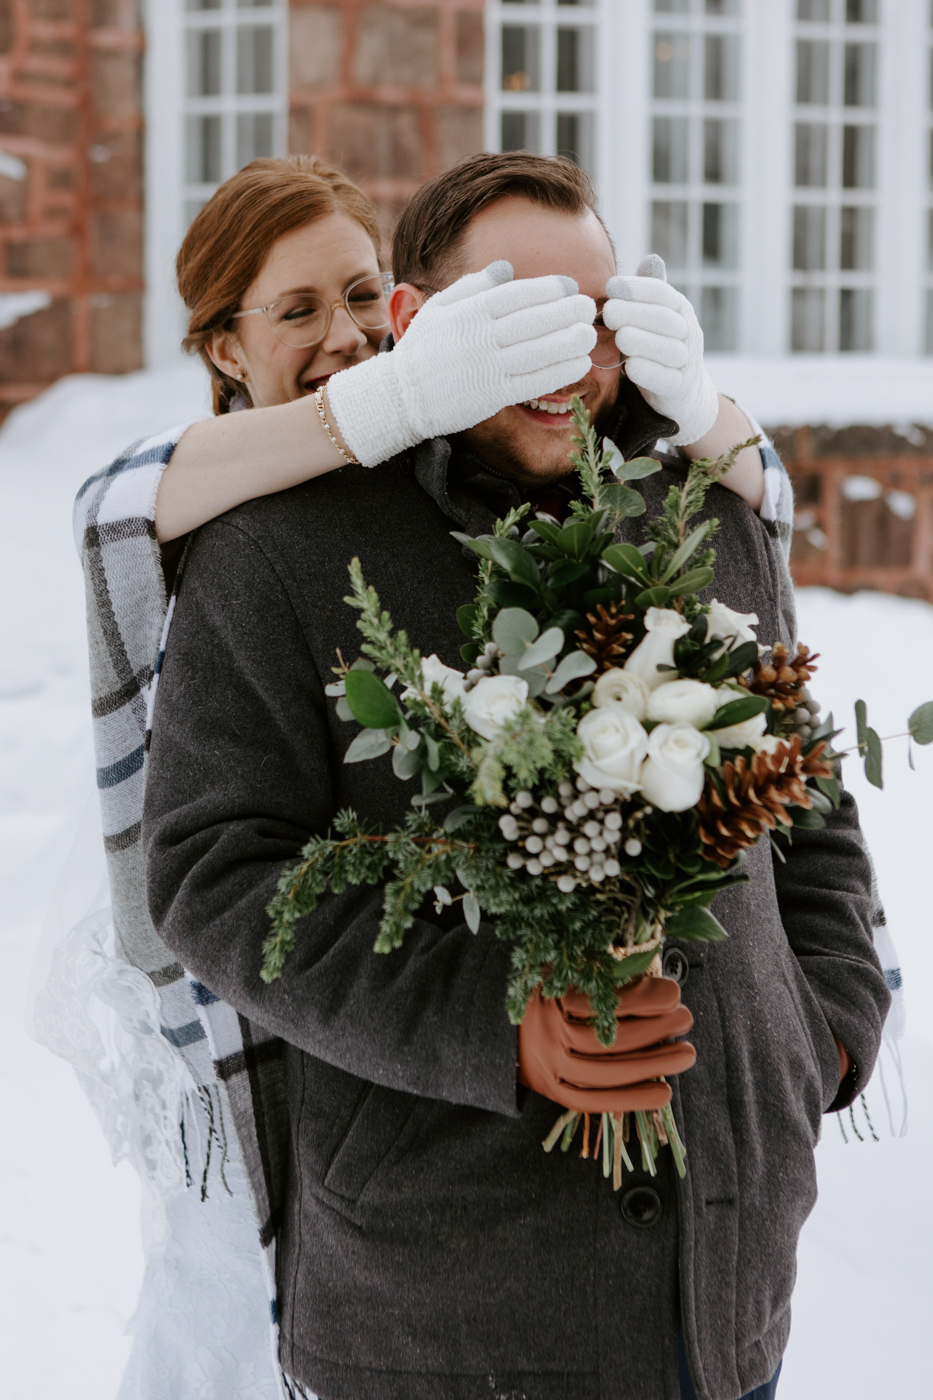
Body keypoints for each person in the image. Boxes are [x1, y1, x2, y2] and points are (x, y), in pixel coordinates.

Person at [141, 151, 890, 1400]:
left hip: (727, 1298)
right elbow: (214, 875)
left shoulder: (701, 511)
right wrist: (496, 1022)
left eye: (593, 318)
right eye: (520, 316)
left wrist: (822, 1031)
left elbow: (805, 796)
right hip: (444, 1314)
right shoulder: (281, 546)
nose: (567, 356)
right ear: (425, 328)